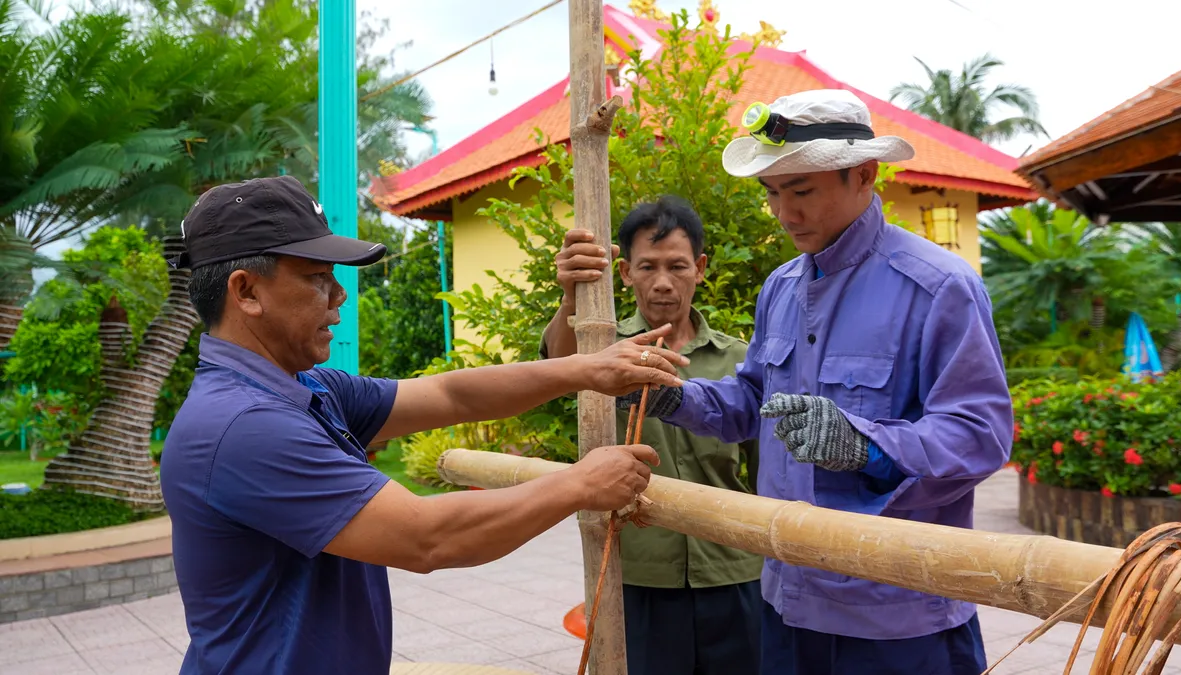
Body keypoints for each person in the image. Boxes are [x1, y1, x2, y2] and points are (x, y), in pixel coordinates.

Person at [159, 175, 689, 675]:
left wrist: (587, 369)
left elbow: (448, 393)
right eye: (317, 278)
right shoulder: (244, 425)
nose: (339, 295)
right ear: (246, 291)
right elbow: (426, 538)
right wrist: (580, 484)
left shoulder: (306, 386)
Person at [622, 89, 1014, 675]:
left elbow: (979, 436)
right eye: (773, 194)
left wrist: (867, 445)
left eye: (801, 191)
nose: (785, 213)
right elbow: (753, 401)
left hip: (897, 608)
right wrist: (670, 395)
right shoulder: (780, 288)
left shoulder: (939, 286)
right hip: (787, 596)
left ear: (864, 174)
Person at [541, 196, 763, 675]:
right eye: (647, 267)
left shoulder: (739, 359)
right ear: (624, 272)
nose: (663, 282)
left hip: (736, 573)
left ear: (700, 268)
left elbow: (767, 471)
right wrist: (570, 298)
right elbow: (557, 369)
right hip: (637, 575)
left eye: (677, 266)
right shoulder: (603, 353)